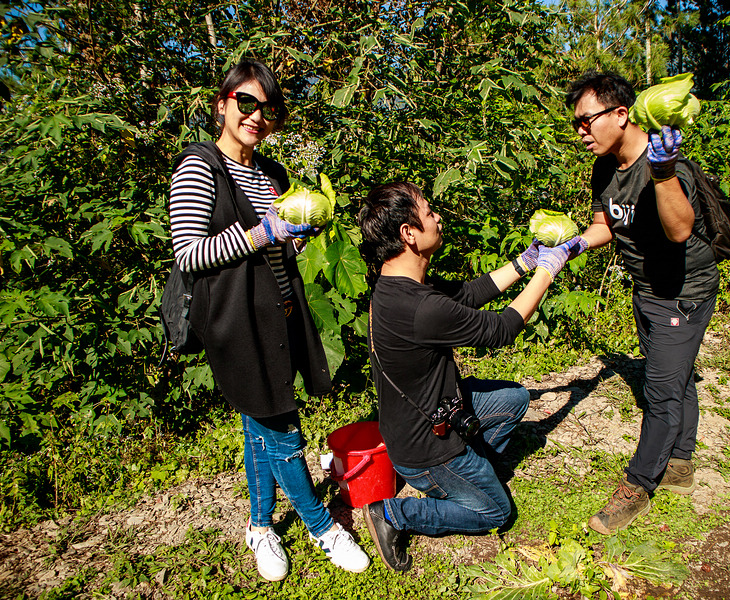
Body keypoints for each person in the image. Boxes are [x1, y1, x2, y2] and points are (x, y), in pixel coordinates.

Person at [168, 58, 369, 581]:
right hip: (235, 320)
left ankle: (259, 526)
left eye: (268, 109)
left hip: (279, 311)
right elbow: (189, 254)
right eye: (246, 103)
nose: (256, 116)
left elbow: (277, 251)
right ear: (223, 104)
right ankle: (322, 526)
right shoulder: (200, 164)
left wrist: (292, 241)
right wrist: (264, 233)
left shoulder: (271, 175)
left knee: (258, 421)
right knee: (280, 425)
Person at [356, 182, 581, 571]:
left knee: (515, 400)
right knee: (496, 512)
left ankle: (475, 471)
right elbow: (502, 329)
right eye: (428, 212)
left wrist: (525, 263)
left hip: (421, 418)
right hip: (426, 449)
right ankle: (393, 514)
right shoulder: (418, 307)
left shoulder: (396, 285)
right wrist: (547, 271)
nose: (437, 217)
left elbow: (464, 296)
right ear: (408, 234)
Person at [565, 73, 719, 534]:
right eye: (576, 123)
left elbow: (679, 231)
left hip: (682, 292)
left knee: (660, 390)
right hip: (646, 290)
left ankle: (638, 486)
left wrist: (665, 173)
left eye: (586, 120)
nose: (581, 132)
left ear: (620, 114)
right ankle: (680, 465)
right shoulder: (605, 166)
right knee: (673, 375)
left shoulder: (664, 163)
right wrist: (568, 246)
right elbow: (605, 224)